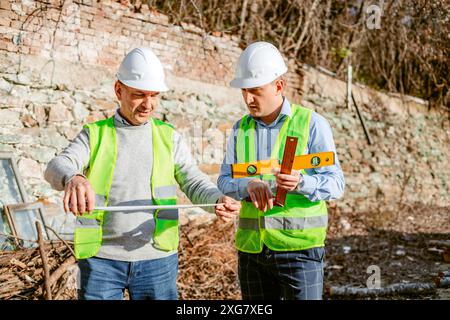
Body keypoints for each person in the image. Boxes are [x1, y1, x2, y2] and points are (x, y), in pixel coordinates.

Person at [45, 47, 240, 300]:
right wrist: (74, 177)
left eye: (154, 95)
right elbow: (56, 165)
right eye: (139, 95)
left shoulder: (168, 137)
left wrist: (216, 199)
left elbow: (192, 179)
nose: (148, 104)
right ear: (119, 90)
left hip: (157, 260)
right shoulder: (95, 134)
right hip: (100, 259)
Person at [218, 41, 345, 300]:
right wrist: (247, 186)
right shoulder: (240, 129)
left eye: (256, 91)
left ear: (278, 86)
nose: (248, 99)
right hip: (252, 252)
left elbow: (336, 184)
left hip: (300, 253)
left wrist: (301, 183)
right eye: (244, 91)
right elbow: (224, 180)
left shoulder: (312, 124)